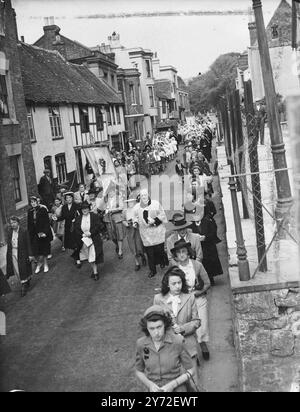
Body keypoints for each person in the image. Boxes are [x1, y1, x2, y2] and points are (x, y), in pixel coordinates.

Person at [153, 267, 201, 386]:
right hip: (167, 348)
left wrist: (182, 328)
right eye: (173, 283)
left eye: (179, 282)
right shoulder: (158, 299)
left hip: (188, 347)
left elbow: (197, 321)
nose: (177, 286)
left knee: (194, 384)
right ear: (167, 284)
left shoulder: (189, 297)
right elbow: (154, 323)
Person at [135, 305, 195, 392]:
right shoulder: (141, 344)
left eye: (159, 327)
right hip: (153, 389)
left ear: (165, 325)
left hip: (177, 387)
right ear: (146, 328)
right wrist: (150, 385)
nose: (156, 333)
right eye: (151, 328)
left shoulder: (177, 341)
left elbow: (191, 370)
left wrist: (172, 385)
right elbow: (138, 370)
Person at [171, 239, 211, 360]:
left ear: (188, 253)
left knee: (202, 325)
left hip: (198, 299)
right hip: (182, 302)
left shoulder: (197, 265)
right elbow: (171, 285)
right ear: (176, 256)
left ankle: (203, 345)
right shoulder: (174, 268)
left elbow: (207, 283)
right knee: (187, 327)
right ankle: (192, 354)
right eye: (179, 253)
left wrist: (197, 293)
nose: (182, 254)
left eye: (184, 251)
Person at [133, 189, 168, 278]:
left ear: (148, 195)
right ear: (140, 197)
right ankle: (152, 270)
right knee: (149, 253)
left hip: (157, 232)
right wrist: (135, 222)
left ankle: (162, 262)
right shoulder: (136, 207)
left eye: (145, 195)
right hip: (146, 234)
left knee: (160, 250)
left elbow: (162, 215)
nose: (144, 197)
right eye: (142, 195)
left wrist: (155, 220)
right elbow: (135, 217)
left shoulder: (156, 204)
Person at [72, 201, 104, 280]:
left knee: (92, 255)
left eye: (86, 208)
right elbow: (76, 228)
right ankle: (94, 270)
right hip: (84, 241)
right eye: (83, 209)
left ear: (89, 209)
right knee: (89, 256)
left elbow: (99, 226)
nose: (84, 210)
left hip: (93, 239)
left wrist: (91, 233)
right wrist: (82, 234)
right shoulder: (78, 218)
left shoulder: (94, 216)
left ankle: (95, 272)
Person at [6, 216, 33, 297]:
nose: (13, 224)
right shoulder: (10, 232)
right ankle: (24, 282)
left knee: (23, 268)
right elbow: (9, 244)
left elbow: (28, 243)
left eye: (14, 222)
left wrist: (30, 254)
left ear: (18, 222)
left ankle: (24, 285)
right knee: (17, 269)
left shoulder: (23, 231)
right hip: (13, 253)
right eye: (11, 223)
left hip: (22, 252)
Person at [198, 205, 223, 286]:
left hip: (208, 246)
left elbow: (213, 232)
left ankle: (210, 278)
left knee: (209, 263)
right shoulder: (191, 223)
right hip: (198, 247)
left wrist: (205, 237)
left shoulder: (208, 221)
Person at [27, 196, 53, 274]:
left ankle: (45, 264)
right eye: (31, 202)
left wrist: (45, 232)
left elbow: (46, 222)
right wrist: (30, 234)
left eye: (34, 201)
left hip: (42, 233)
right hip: (34, 234)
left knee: (43, 250)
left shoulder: (43, 210)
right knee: (36, 250)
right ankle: (39, 263)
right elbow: (29, 224)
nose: (33, 203)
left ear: (37, 202)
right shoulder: (30, 211)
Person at [122, 195, 147, 271]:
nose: (130, 203)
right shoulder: (125, 211)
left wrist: (137, 222)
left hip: (137, 229)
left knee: (139, 245)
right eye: (129, 202)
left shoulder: (137, 209)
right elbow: (123, 220)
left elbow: (142, 218)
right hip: (129, 230)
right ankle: (137, 263)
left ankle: (142, 255)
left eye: (132, 202)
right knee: (132, 247)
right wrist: (125, 223)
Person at [103, 182, 125, 259]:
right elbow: (102, 207)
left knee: (119, 234)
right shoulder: (106, 199)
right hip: (108, 219)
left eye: (112, 191)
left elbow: (121, 207)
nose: (110, 193)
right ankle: (117, 245)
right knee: (112, 236)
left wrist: (112, 210)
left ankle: (120, 251)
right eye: (109, 191)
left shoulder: (118, 198)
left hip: (117, 218)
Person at [56, 192, 79, 257]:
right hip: (68, 227)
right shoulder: (64, 207)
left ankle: (78, 258)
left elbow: (80, 215)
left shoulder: (76, 206)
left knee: (77, 241)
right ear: (65, 200)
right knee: (71, 243)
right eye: (67, 198)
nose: (68, 199)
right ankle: (77, 256)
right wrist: (56, 219)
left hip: (76, 226)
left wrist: (76, 219)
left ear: (72, 198)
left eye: (70, 197)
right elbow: (62, 216)